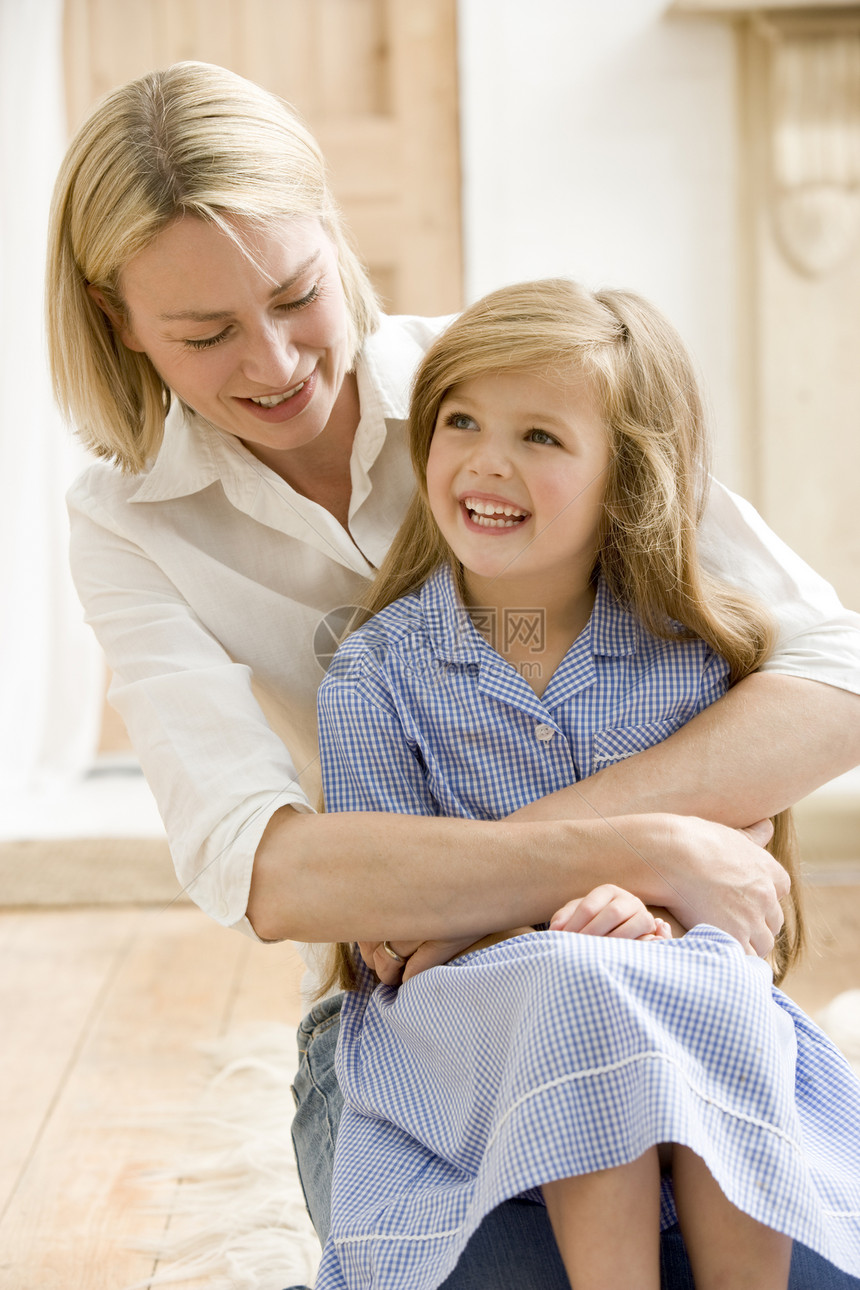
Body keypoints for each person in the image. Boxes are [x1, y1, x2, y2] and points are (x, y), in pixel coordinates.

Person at [45, 62, 860, 1289]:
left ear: (332, 229)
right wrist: (641, 847)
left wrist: (612, 860)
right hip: (422, 1011)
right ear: (118, 319)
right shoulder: (131, 526)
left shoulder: (518, 379)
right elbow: (264, 867)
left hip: (649, 952)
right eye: (204, 334)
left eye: (295, 295)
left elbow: (831, 671)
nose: (271, 362)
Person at [313, 279, 860, 1290]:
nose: (485, 459)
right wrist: (562, 918)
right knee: (581, 982)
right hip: (457, 1028)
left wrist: (642, 904)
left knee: (701, 975)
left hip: (669, 986)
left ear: (623, 476)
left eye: (540, 438)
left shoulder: (693, 659)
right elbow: (386, 933)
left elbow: (738, 889)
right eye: (460, 421)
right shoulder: (374, 676)